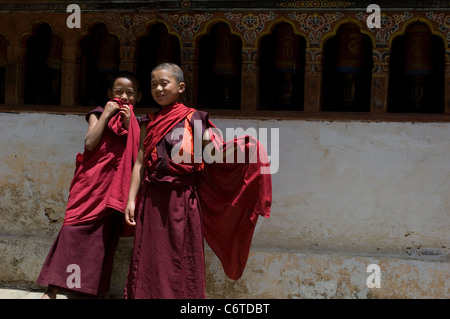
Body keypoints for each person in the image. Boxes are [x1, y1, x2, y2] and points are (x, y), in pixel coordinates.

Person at [123, 63, 272, 299]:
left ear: (180, 87)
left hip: (181, 198)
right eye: (153, 85)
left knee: (180, 257)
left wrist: (245, 147)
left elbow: (213, 152)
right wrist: (131, 200)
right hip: (151, 198)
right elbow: (140, 163)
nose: (158, 89)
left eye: (164, 83)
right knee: (150, 255)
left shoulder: (194, 118)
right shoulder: (148, 122)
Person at [36, 71, 142, 299]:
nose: (124, 97)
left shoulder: (138, 124)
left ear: (139, 97)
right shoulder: (96, 114)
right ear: (109, 94)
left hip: (114, 190)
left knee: (102, 242)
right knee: (72, 232)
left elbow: (139, 153)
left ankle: (93, 291)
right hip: (91, 185)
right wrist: (106, 115)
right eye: (118, 92)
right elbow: (90, 142)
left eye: (130, 93)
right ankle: (52, 288)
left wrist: (129, 123)